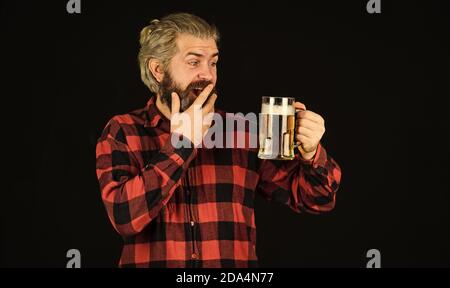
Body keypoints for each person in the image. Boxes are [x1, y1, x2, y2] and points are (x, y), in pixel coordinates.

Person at [95, 13, 341, 268]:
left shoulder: (240, 131)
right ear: (158, 70)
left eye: (213, 63)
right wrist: (183, 143)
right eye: (194, 62)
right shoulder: (122, 130)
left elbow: (316, 200)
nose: (209, 75)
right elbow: (124, 216)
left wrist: (312, 153)